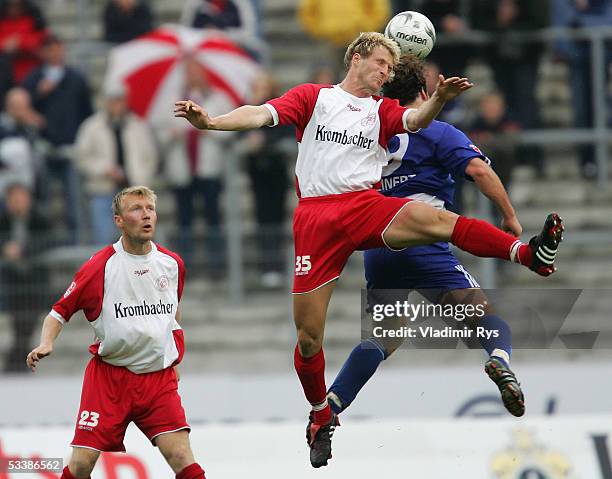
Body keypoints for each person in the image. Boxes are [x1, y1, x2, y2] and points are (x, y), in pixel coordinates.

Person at [174, 32, 563, 468]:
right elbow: (260, 115)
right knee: (308, 339)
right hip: (317, 217)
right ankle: (322, 416)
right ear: (356, 58)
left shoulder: (383, 111)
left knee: (438, 222)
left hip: (363, 205)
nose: (384, 73)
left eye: (389, 69)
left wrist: (438, 98)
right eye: (379, 63)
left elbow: (416, 121)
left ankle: (528, 255)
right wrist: (212, 123)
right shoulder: (314, 98)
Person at [326, 55, 535, 422]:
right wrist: (510, 215)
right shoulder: (438, 131)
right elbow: (478, 171)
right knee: (489, 323)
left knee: (383, 338)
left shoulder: (369, 132)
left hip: (379, 247)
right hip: (423, 241)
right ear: (424, 92)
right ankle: (499, 363)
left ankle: (331, 406)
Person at [26, 186, 207, 479]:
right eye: (136, 209)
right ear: (119, 221)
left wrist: (173, 358)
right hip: (109, 381)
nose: (146, 215)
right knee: (82, 463)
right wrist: (47, 342)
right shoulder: (100, 266)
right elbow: (58, 312)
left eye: (150, 208)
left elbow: (174, 313)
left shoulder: (172, 264)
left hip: (157, 381)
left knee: (181, 456)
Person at [75, 84, 157, 245]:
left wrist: (141, 179)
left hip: (133, 191)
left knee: (138, 240)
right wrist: (104, 169)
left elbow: (150, 158)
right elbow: (81, 158)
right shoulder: (92, 127)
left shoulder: (138, 126)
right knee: (104, 239)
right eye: (113, 100)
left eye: (120, 100)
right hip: (103, 190)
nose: (116, 105)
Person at [0, 182, 50, 372]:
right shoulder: (3, 220)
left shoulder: (40, 219)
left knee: (27, 325)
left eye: (21, 198)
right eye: (13, 199)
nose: (18, 203)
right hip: (12, 282)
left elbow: (50, 240)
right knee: (18, 324)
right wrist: (6, 248)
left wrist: (23, 250)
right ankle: (17, 365)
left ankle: (13, 364)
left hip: (34, 281)